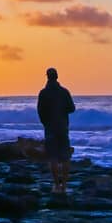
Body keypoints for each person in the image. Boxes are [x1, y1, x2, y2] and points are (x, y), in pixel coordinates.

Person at [36, 65, 75, 193]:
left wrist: (45, 123)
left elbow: (40, 111)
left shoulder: (43, 93)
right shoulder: (64, 92)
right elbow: (72, 108)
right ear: (57, 76)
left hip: (50, 127)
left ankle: (56, 184)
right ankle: (64, 185)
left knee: (52, 157)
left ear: (47, 77)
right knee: (65, 157)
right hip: (63, 127)